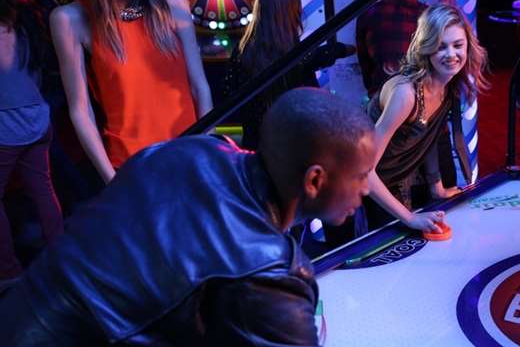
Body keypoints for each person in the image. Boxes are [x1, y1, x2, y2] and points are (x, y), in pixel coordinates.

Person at [0, 88, 377, 345]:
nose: (365, 189)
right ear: (314, 179)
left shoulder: (194, 150)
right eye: (361, 177)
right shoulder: (268, 275)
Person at [50, 0, 212, 183]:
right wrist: (111, 180)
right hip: (130, 166)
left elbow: (199, 86)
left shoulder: (173, 5)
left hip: (187, 155)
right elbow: (80, 109)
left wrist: (207, 152)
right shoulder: (71, 19)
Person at [353, 4, 486, 237]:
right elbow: (363, 169)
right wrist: (410, 217)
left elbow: (429, 137)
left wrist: (437, 188)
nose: (451, 55)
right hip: (370, 184)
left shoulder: (450, 85)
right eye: (440, 46)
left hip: (403, 177)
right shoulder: (406, 94)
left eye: (457, 45)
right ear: (426, 48)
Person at [223, 0, 353, 149]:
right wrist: (351, 47)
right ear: (292, 12)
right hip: (295, 143)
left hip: (256, 144)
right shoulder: (297, 54)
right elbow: (325, 53)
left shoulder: (243, 52)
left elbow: (229, 92)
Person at [0, 0, 63, 282]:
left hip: (6, 127)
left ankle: (8, 272)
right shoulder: (29, 27)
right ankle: (62, 259)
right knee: (43, 191)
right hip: (38, 120)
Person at [355, 0, 426, 97]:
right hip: (421, 97)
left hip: (381, 95)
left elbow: (365, 63)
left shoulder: (368, 14)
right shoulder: (429, 15)